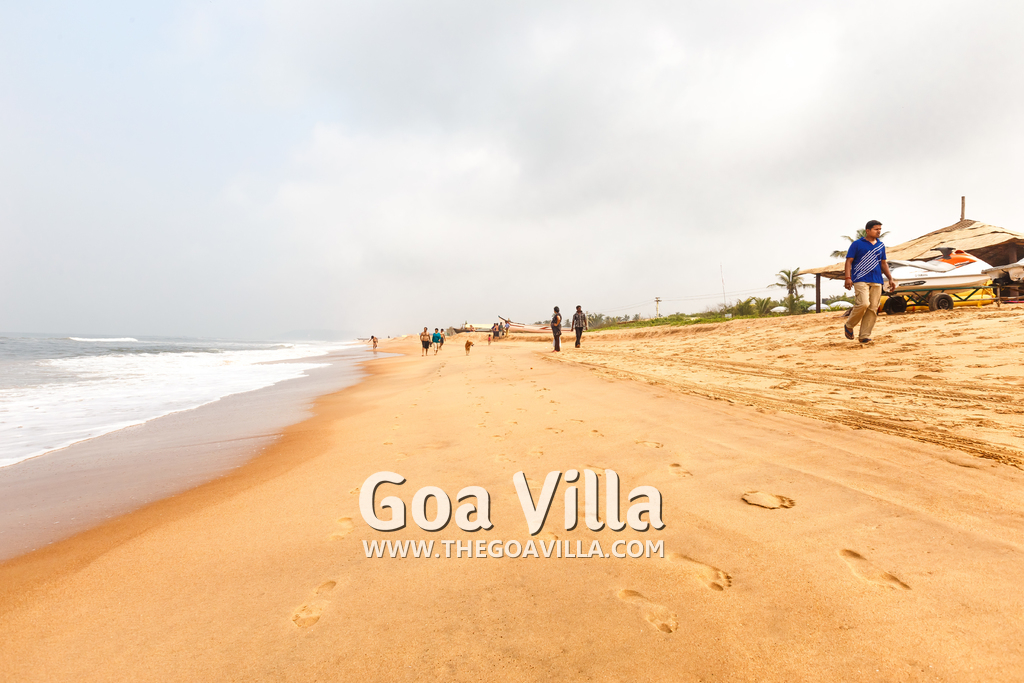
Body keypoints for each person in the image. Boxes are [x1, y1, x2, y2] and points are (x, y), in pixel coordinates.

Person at [844, 220, 896, 343]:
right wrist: (848, 278)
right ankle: (849, 325)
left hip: (877, 279)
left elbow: (883, 263)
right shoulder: (857, 244)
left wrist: (890, 278)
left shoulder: (881, 245)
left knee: (873, 308)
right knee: (863, 304)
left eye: (880, 229)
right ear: (867, 230)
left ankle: (864, 336)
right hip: (860, 278)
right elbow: (849, 261)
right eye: (876, 229)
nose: (879, 232)